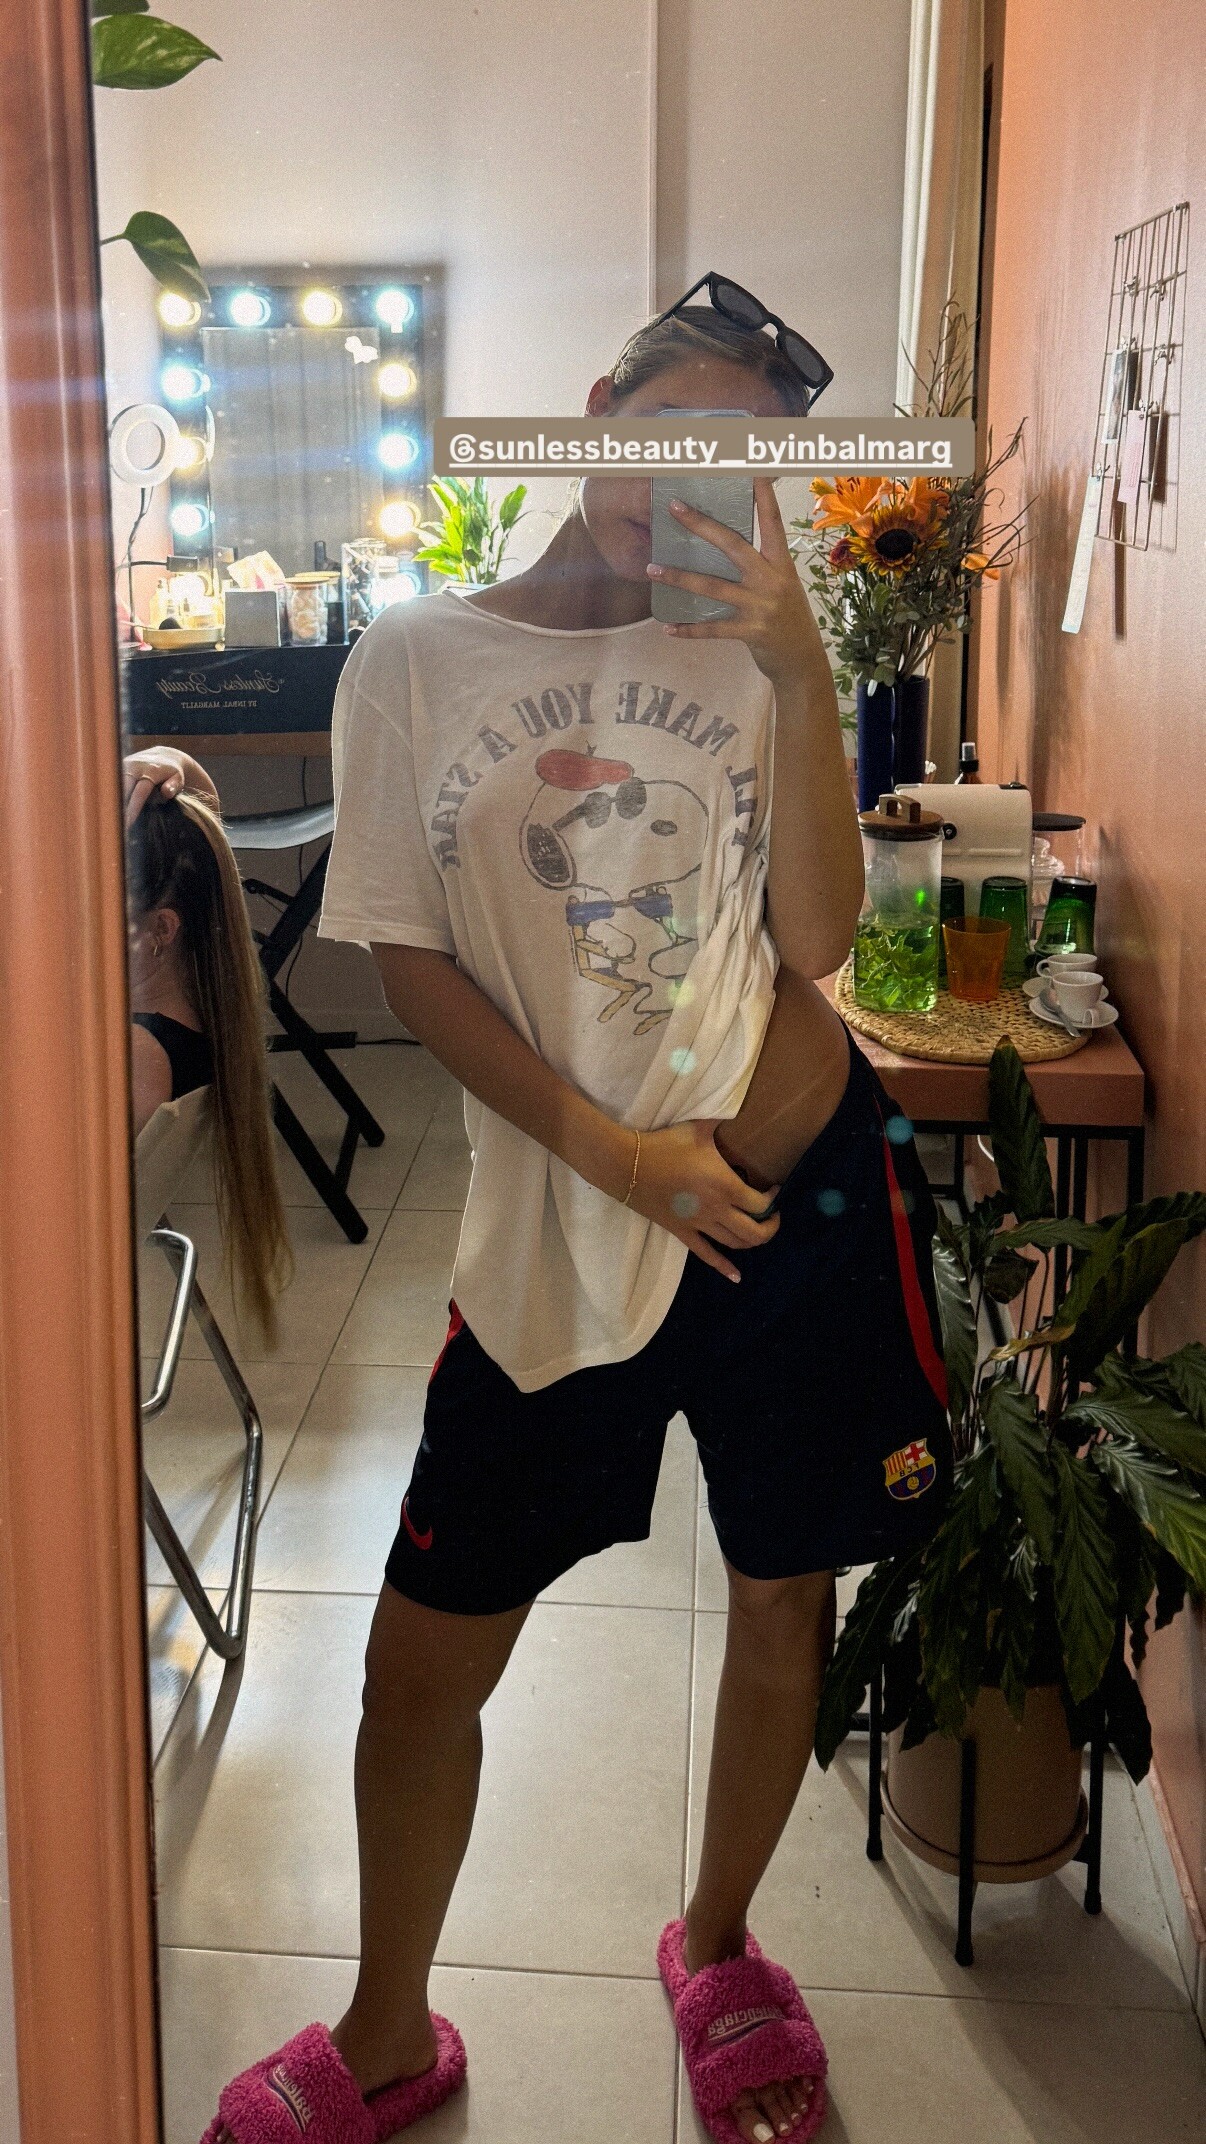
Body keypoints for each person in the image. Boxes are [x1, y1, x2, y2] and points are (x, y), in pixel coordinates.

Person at [203, 286, 951, 2144]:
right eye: (669, 432)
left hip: (799, 1201)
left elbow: (814, 941)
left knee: (779, 1592)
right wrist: (619, 1159)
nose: (684, 484)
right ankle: (389, 2026)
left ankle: (719, 1944)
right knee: (419, 1660)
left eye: (738, 466)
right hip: (566, 1224)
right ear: (594, 405)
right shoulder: (417, 655)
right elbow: (410, 957)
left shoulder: (755, 648)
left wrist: (797, 672)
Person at [127, 749, 292, 1340]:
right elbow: (203, 841)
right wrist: (174, 761)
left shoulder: (136, 1056)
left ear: (159, 930)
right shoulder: (200, 1011)